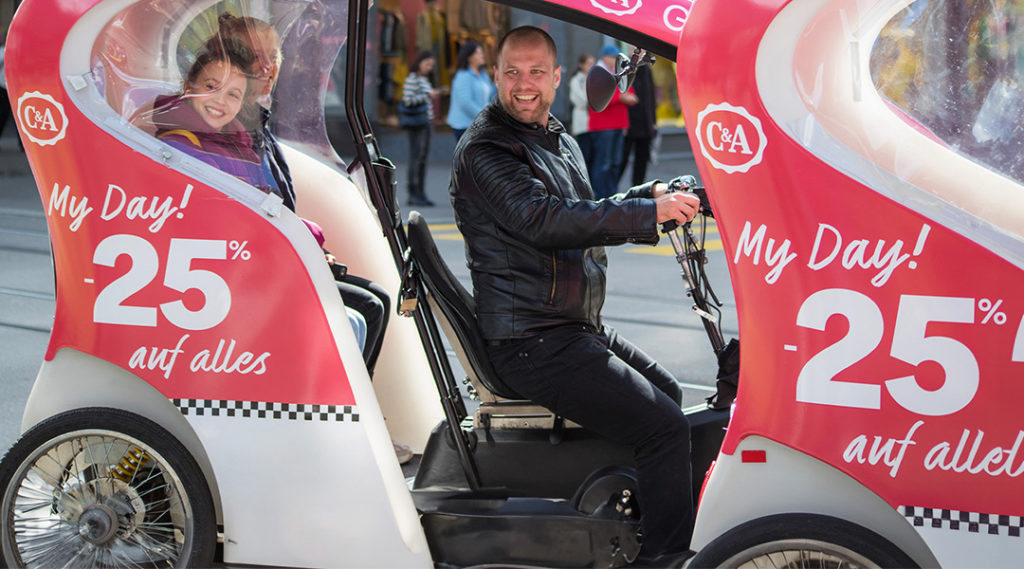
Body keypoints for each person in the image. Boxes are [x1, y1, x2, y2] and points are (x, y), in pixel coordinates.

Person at [449, 26, 701, 567]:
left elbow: (583, 205)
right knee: (664, 427)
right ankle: (665, 558)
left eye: (536, 71)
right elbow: (544, 221)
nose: (524, 84)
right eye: (512, 72)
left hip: (568, 326)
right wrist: (646, 216)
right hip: (531, 341)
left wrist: (648, 196)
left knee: (671, 397)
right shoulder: (487, 149)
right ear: (496, 76)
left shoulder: (555, 136)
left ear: (558, 77)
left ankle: (632, 513)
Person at [212, 15, 408, 463]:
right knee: (367, 308)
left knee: (375, 297)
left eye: (271, 56)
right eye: (251, 56)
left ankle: (356, 421)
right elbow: (256, 205)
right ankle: (343, 432)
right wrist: (308, 244)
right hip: (252, 270)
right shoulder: (231, 120)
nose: (264, 65)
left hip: (277, 255)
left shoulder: (256, 118)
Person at [151, 39, 371, 350]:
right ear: (189, 85)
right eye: (211, 86)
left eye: (233, 95)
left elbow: (258, 205)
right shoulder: (185, 146)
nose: (220, 101)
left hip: (237, 265)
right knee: (355, 318)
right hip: (214, 279)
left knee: (360, 316)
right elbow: (238, 216)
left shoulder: (226, 141)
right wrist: (306, 238)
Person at [587, 44, 637, 199]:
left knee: (615, 164)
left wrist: (623, 98)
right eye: (613, 57)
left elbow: (630, 93)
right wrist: (621, 97)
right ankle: (600, 197)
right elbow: (598, 98)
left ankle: (612, 196)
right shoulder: (597, 73)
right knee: (604, 164)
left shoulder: (618, 72)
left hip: (617, 124)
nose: (616, 60)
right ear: (605, 57)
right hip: (603, 126)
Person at [401, 51, 440, 207]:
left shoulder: (423, 79)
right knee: (416, 158)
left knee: (422, 158)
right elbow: (407, 100)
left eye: (431, 65)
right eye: (428, 64)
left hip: (426, 123)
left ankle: (421, 193)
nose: (429, 68)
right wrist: (428, 96)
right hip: (417, 125)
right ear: (420, 62)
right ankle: (414, 193)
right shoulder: (412, 79)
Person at [446, 41, 495, 141]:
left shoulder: (483, 74)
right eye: (479, 53)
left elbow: (489, 96)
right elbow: (466, 103)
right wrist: (485, 118)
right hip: (465, 126)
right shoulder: (463, 76)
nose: (483, 55)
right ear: (470, 57)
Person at [620, 63, 657, 188]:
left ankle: (638, 187)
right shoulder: (626, 67)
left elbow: (651, 97)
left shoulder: (647, 70)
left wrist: (653, 121)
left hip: (645, 123)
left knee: (642, 159)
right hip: (629, 123)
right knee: (622, 159)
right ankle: (613, 189)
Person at [568, 53, 595, 170]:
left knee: (593, 156)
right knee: (585, 155)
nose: (591, 67)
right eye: (589, 64)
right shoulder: (576, 80)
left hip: (594, 123)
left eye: (593, 64)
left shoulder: (592, 79)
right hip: (582, 123)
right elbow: (582, 100)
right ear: (581, 65)